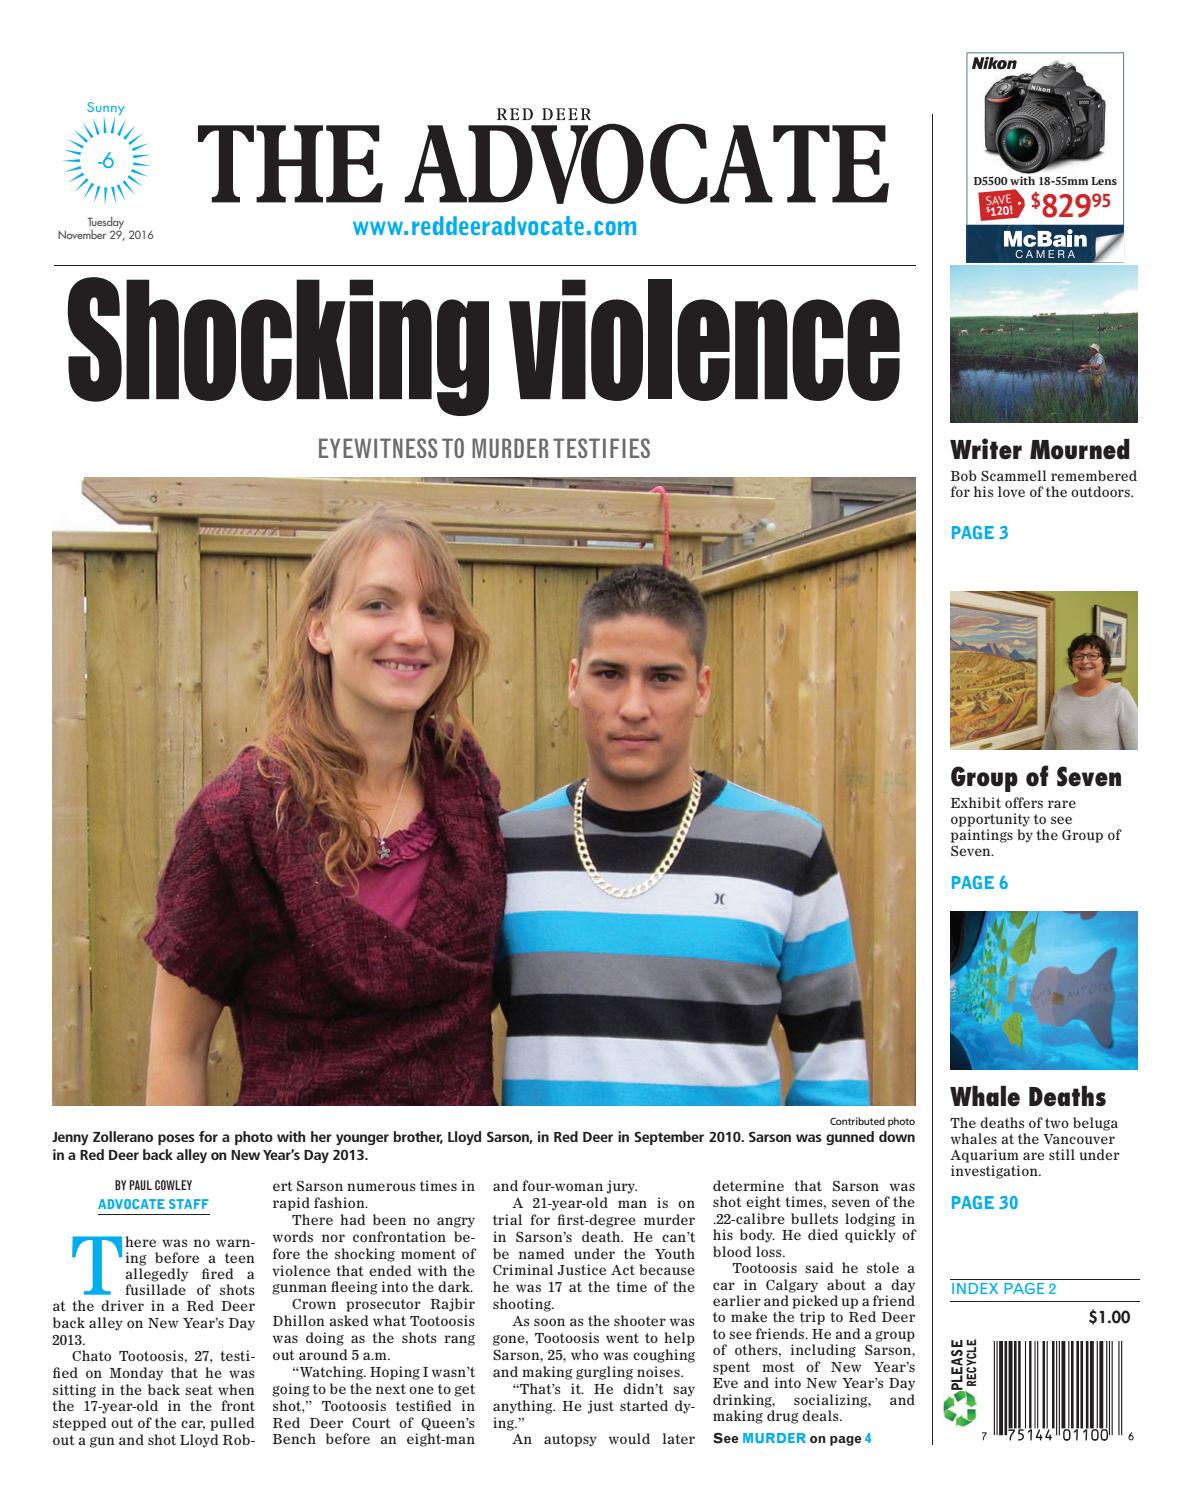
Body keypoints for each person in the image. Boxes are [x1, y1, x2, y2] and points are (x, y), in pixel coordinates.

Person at [144, 509, 505, 1106]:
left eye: (434, 609)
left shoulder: (466, 786)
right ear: (321, 629)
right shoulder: (241, 817)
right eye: (378, 605)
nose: (414, 632)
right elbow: (177, 1049)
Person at [497, 566, 868, 1107]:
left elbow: (834, 1074)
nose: (633, 706)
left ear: (702, 688)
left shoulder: (791, 847)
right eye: (609, 674)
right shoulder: (507, 850)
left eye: (663, 678)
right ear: (574, 681)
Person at [1042, 632, 1137, 750]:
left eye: (1092, 655)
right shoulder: (1061, 695)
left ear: (1104, 661)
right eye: (1078, 656)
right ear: (1072, 663)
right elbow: (1049, 744)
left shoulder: (1120, 697)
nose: (1084, 661)